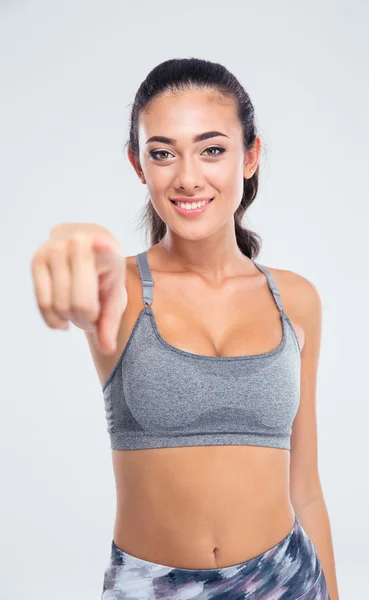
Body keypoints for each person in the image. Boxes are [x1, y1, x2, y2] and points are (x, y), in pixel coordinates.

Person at [30, 57, 339, 599]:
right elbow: (82, 257)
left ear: (251, 156)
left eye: (212, 149)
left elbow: (306, 490)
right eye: (163, 153)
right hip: (150, 589)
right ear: (138, 165)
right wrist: (68, 242)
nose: (188, 176)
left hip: (287, 580)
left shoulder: (296, 300)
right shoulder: (120, 292)